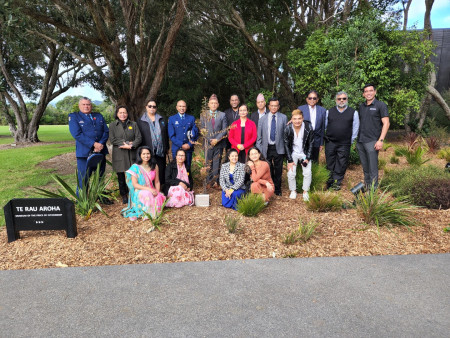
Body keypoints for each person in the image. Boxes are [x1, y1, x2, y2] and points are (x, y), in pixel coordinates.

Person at [68, 97, 110, 198]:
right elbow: (77, 134)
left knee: (100, 177)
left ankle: (101, 198)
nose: (86, 106)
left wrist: (100, 144)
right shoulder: (74, 117)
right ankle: (82, 201)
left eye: (88, 104)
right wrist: (94, 144)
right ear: (79, 106)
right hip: (84, 153)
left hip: (100, 152)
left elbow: (106, 131)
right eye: (84, 104)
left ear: (91, 106)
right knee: (84, 179)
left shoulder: (98, 116)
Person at [324, 91, 360, 190]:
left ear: (347, 100)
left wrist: (350, 140)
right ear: (336, 100)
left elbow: (355, 128)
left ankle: (337, 183)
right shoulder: (329, 112)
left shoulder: (353, 112)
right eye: (339, 99)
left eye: (344, 98)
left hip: (344, 143)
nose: (341, 100)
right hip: (330, 142)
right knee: (330, 162)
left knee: (342, 162)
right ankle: (330, 182)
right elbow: (324, 126)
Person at [357, 84, 390, 189]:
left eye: (370, 91)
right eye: (366, 91)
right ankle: (367, 187)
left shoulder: (381, 105)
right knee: (365, 168)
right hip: (361, 141)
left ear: (375, 92)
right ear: (363, 94)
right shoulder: (361, 107)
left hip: (372, 141)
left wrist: (380, 140)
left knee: (373, 168)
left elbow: (386, 123)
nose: (368, 93)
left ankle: (373, 191)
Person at [109, 105, 142, 204]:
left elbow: (139, 138)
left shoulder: (134, 124)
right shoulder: (112, 125)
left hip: (131, 153)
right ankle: (124, 195)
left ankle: (134, 193)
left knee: (133, 174)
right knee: (121, 176)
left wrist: (131, 146)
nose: (123, 115)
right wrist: (127, 143)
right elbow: (112, 139)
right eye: (120, 113)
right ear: (117, 114)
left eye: (124, 112)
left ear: (127, 114)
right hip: (119, 153)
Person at [122, 146, 166, 220]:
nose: (146, 156)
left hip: (151, 189)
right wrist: (149, 189)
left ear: (151, 154)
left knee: (160, 196)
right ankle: (149, 214)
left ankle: (152, 210)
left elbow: (157, 181)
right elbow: (135, 185)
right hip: (140, 191)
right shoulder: (135, 167)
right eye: (144, 154)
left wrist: (157, 192)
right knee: (147, 194)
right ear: (140, 155)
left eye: (148, 154)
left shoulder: (154, 166)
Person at [256, 97, 287, 196]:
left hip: (279, 147)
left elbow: (285, 135)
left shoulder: (283, 117)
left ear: (278, 107)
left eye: (276, 106)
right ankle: (269, 188)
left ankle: (277, 189)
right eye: (272, 105)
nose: (274, 107)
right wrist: (260, 150)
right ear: (268, 106)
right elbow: (259, 137)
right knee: (268, 169)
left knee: (278, 170)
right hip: (266, 148)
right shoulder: (262, 119)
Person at [137, 99, 169, 187]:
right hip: (147, 151)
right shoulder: (140, 121)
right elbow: (139, 136)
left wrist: (167, 147)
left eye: (154, 106)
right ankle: (150, 188)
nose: (152, 108)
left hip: (160, 151)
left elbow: (165, 134)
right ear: (146, 107)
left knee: (161, 169)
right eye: (150, 106)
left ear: (156, 108)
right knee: (150, 170)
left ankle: (160, 189)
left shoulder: (161, 119)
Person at [284, 109, 314, 201]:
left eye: (299, 118)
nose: (297, 121)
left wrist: (308, 158)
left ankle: (305, 191)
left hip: (304, 152)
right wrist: (289, 160)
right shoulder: (288, 128)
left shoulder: (308, 127)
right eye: (295, 119)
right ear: (291, 119)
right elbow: (286, 145)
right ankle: (293, 190)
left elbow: (311, 143)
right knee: (291, 173)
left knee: (307, 173)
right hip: (293, 153)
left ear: (303, 119)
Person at [202, 94, 228, 189]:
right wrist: (210, 140)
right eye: (212, 103)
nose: (213, 105)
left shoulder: (222, 115)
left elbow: (224, 129)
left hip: (219, 143)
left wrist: (217, 139)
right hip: (207, 143)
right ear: (208, 104)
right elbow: (202, 129)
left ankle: (215, 181)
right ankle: (209, 181)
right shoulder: (203, 115)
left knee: (217, 162)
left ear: (218, 104)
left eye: (215, 103)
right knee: (208, 162)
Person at [168, 100, 198, 169]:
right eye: (180, 106)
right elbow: (171, 136)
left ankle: (187, 180)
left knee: (187, 168)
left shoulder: (191, 118)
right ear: (177, 107)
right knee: (176, 169)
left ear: (186, 107)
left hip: (188, 148)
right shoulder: (172, 119)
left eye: (183, 106)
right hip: (177, 148)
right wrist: (181, 144)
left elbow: (195, 133)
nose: (182, 108)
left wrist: (189, 144)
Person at [297, 90, 326, 163]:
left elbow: (322, 128)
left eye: (314, 98)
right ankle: (304, 174)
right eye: (310, 98)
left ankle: (313, 174)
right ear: (307, 99)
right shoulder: (300, 109)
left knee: (314, 161)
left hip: (316, 140)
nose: (312, 100)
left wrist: (321, 143)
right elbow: (296, 123)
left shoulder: (322, 110)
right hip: (304, 139)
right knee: (303, 160)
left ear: (317, 100)